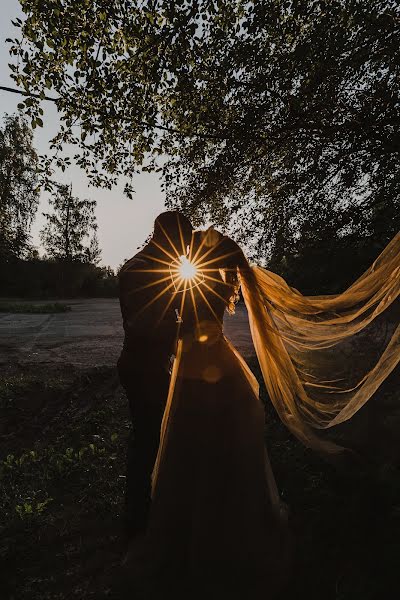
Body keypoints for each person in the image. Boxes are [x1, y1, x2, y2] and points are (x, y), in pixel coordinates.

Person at [125, 228, 291, 599]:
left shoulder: (195, 285)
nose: (189, 248)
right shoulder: (218, 285)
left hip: (197, 369)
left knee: (192, 449)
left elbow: (173, 321)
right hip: (215, 362)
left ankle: (196, 533)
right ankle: (231, 523)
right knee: (220, 451)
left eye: (196, 244)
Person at [117, 210, 193, 541]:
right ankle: (136, 521)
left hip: (158, 366)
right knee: (148, 439)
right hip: (140, 367)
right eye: (183, 240)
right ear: (166, 236)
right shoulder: (137, 270)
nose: (185, 249)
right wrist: (186, 328)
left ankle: (155, 508)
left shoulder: (166, 268)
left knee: (162, 436)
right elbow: (143, 324)